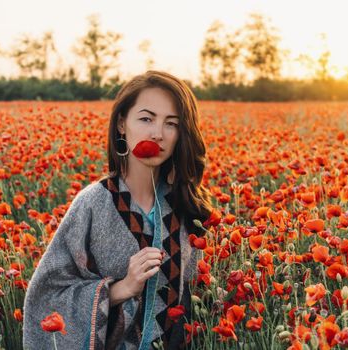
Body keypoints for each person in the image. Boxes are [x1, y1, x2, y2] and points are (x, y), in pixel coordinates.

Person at [23, 70, 212, 350]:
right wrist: (121, 289)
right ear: (122, 123)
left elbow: (200, 293)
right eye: (146, 119)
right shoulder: (93, 204)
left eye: (171, 124)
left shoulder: (187, 206)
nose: (157, 133)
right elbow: (45, 296)